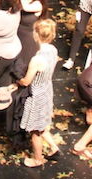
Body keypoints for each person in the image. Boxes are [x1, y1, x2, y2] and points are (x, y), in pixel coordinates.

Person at [17, 18, 61, 167]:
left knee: (35, 129)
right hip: (47, 89)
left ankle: (38, 159)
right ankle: (53, 147)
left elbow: (27, 81)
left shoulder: (37, 59)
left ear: (36, 35)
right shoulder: (54, 50)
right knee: (42, 122)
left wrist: (18, 81)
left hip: (37, 93)